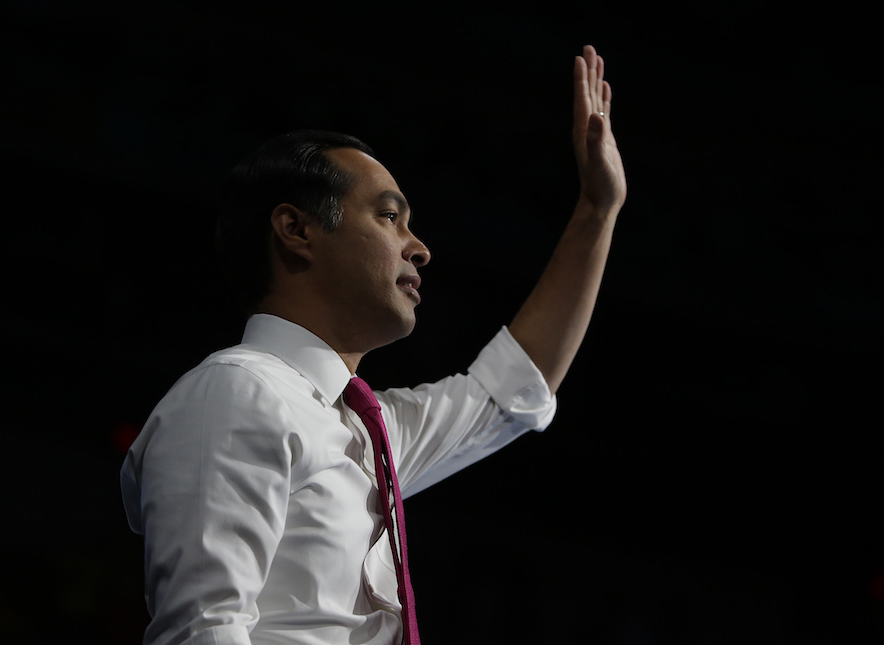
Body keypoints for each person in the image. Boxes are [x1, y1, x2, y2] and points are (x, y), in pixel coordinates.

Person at [120, 45, 626, 645]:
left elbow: (510, 394)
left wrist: (598, 210)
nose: (419, 247)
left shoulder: (369, 432)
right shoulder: (235, 391)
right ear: (296, 229)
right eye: (390, 217)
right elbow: (200, 632)